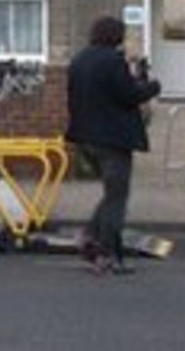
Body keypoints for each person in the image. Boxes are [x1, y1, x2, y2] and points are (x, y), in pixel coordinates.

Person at [66, 16, 161, 275]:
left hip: (86, 138)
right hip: (113, 140)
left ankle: (91, 238)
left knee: (112, 194)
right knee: (117, 198)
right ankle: (105, 252)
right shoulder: (112, 61)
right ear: (115, 36)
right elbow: (129, 96)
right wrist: (152, 87)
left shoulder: (79, 60)